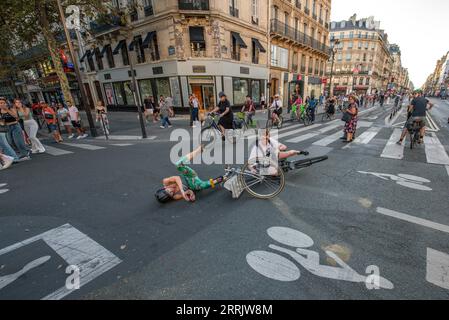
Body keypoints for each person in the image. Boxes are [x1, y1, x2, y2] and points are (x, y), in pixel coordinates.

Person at [155, 145, 224, 203]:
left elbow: (177, 178)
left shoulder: (166, 182)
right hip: (192, 183)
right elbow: (189, 191)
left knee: (178, 165)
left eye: (168, 191)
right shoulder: (175, 196)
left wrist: (181, 190)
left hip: (187, 174)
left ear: (164, 188)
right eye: (171, 194)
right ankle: (220, 179)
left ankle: (198, 150)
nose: (171, 191)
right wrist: (191, 195)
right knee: (201, 186)